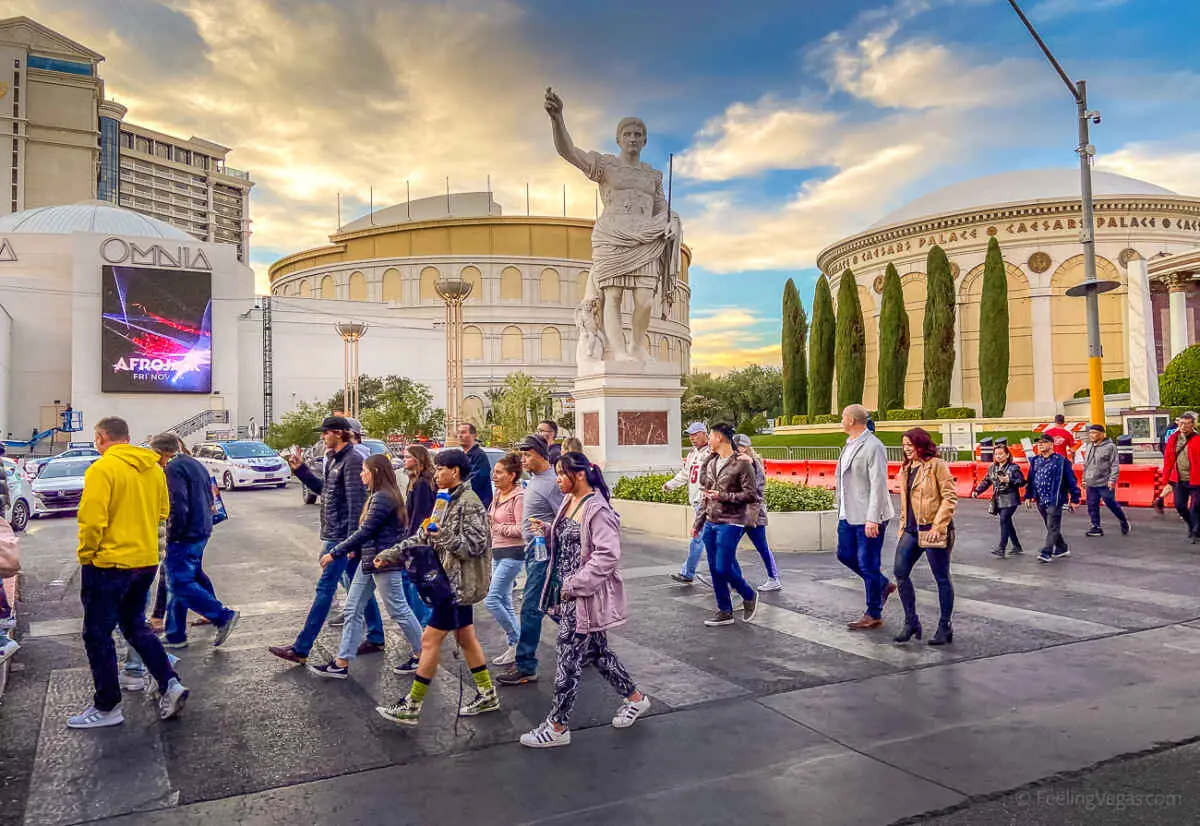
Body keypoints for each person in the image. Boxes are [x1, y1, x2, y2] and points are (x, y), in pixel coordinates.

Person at [520, 452, 650, 748]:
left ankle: (557, 726)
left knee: (567, 659)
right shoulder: (570, 502)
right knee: (597, 654)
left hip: (582, 598)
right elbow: (571, 542)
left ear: (579, 475)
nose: (557, 480)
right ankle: (636, 699)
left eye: (561, 474)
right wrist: (549, 533)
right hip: (568, 595)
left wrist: (575, 584)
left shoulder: (597, 509)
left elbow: (607, 555)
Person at [69, 416, 188, 728]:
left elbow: (92, 520)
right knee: (135, 624)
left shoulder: (101, 469)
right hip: (145, 561)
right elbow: (164, 512)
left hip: (109, 564)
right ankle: (169, 683)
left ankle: (107, 706)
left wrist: (87, 555)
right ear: (127, 436)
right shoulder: (153, 469)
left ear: (101, 438)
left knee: (97, 634)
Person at [374, 449, 496, 726]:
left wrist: (444, 537)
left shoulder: (470, 502)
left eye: (442, 468)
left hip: (455, 586)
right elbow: (423, 535)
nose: (437, 473)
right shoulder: (444, 500)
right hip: (447, 581)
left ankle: (412, 705)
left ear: (456, 471)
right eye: (437, 468)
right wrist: (392, 553)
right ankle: (487, 693)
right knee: (465, 638)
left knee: (429, 641)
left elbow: (475, 546)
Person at [270, 416, 384, 664]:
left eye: (326, 433)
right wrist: (300, 471)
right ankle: (376, 636)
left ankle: (301, 648)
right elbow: (325, 490)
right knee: (357, 584)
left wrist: (352, 543)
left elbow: (357, 505)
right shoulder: (334, 459)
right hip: (336, 533)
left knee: (325, 588)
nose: (322, 437)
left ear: (340, 434)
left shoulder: (353, 461)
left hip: (342, 536)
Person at [308, 454, 425, 679]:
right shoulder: (377, 496)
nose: (362, 474)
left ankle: (423, 654)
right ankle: (342, 662)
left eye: (364, 470)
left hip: (383, 562)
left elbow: (366, 531)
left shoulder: (382, 497)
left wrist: (335, 552)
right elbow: (371, 533)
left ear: (376, 473)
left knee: (398, 609)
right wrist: (357, 551)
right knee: (353, 609)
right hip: (370, 561)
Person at [149, 434, 239, 650]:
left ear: (160, 453)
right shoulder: (194, 463)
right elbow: (210, 496)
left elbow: (177, 504)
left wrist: (172, 533)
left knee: (179, 582)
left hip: (184, 534)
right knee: (178, 580)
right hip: (201, 529)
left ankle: (222, 616)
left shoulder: (172, 469)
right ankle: (175, 634)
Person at [497, 435, 564, 686]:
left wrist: (546, 530)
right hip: (533, 551)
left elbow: (564, 519)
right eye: (522, 455)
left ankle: (525, 665)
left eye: (527, 455)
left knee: (531, 607)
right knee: (551, 605)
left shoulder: (551, 483)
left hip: (544, 554)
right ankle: (588, 642)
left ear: (539, 454)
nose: (523, 459)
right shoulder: (534, 481)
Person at [892, 429, 957, 646]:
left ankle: (944, 625)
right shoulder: (906, 469)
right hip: (911, 529)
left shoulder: (936, 465)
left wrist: (939, 526)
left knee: (941, 577)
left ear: (922, 444)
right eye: (904, 445)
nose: (907, 449)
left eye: (911, 444)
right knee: (900, 573)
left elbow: (949, 497)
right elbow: (905, 504)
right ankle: (911, 621)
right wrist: (902, 529)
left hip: (933, 529)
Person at [834, 404, 896, 630]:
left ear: (851, 420)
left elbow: (879, 484)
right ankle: (882, 584)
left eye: (843, 417)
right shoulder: (849, 445)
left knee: (868, 564)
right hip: (848, 513)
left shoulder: (873, 446)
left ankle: (873, 612)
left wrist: (873, 519)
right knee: (844, 554)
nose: (841, 421)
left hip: (869, 515)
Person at [694, 423, 759, 627]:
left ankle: (749, 594)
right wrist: (698, 522)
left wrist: (723, 496)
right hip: (711, 520)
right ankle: (725, 610)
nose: (709, 440)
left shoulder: (742, 463)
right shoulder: (710, 461)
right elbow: (705, 492)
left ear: (720, 437)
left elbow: (751, 494)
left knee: (723, 566)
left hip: (732, 521)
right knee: (714, 568)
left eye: (711, 436)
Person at [484, 453, 524, 666]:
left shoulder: (519, 496)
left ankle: (517, 639)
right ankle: (514, 647)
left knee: (492, 599)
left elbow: (522, 529)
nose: (494, 476)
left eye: (499, 472)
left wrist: (496, 526)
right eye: (495, 471)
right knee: (505, 601)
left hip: (513, 553)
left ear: (512, 475)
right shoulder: (498, 494)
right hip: (497, 552)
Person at [733, 433, 782, 591]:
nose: (736, 449)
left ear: (746, 448)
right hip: (741, 514)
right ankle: (732, 578)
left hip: (752, 514)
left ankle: (774, 578)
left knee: (762, 547)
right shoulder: (738, 463)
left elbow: (755, 489)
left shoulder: (753, 464)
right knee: (727, 546)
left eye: (739, 447)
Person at [664, 422, 711, 585]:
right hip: (697, 502)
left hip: (705, 504)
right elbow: (686, 474)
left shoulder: (712, 454)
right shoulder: (692, 455)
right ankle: (723, 574)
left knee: (697, 538)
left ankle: (688, 572)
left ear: (705, 434)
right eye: (690, 435)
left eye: (695, 434)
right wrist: (670, 484)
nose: (692, 438)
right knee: (709, 540)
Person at [1025, 433, 1081, 563]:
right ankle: (1061, 547)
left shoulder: (1061, 461)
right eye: (1038, 443)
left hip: (1055, 498)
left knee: (1052, 525)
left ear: (1051, 444)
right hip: (1040, 498)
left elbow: (1071, 481)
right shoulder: (1035, 461)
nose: (1040, 445)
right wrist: (1028, 496)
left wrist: (1074, 499)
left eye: (1043, 442)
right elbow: (1031, 479)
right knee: (1050, 525)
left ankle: (1046, 552)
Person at [400, 445, 436, 624]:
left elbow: (419, 515)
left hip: (419, 539)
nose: (404, 459)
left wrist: (410, 539)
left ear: (418, 460)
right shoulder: (415, 480)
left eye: (407, 457)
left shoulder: (422, 483)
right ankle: (420, 617)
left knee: (414, 579)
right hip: (417, 536)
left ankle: (423, 620)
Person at [972, 442, 1026, 558]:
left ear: (1007, 455)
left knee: (1004, 519)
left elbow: (1021, 481)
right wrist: (977, 490)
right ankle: (1017, 546)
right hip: (998, 498)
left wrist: (1009, 480)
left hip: (1011, 498)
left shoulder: (1013, 468)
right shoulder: (992, 468)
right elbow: (986, 481)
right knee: (1007, 522)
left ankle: (1001, 547)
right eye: (996, 454)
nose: (998, 456)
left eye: (1001, 454)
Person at [1082, 424, 1129, 537]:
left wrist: (1112, 480)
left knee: (1110, 502)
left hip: (1104, 481)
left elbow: (1114, 464)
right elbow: (1086, 465)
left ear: (1102, 434)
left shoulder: (1110, 447)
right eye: (1090, 433)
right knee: (1092, 504)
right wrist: (1084, 479)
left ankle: (1123, 520)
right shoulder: (1089, 446)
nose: (1092, 436)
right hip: (1091, 482)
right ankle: (1095, 526)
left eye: (1095, 433)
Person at [1161, 411, 1200, 543]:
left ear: (1193, 425)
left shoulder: (1198, 439)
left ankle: (1195, 532)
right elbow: (1168, 460)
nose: (1183, 426)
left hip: (1196, 480)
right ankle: (1192, 525)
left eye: (1186, 424)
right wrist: (1166, 480)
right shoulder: (1173, 439)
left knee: (1195, 507)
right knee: (1180, 506)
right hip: (1179, 479)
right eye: (1181, 423)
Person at [457, 422, 493, 510]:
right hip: (463, 505)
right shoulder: (460, 456)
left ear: (473, 435)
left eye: (463, 432)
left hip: (477, 506)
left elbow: (476, 481)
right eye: (458, 433)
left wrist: (456, 486)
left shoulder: (479, 456)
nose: (460, 435)